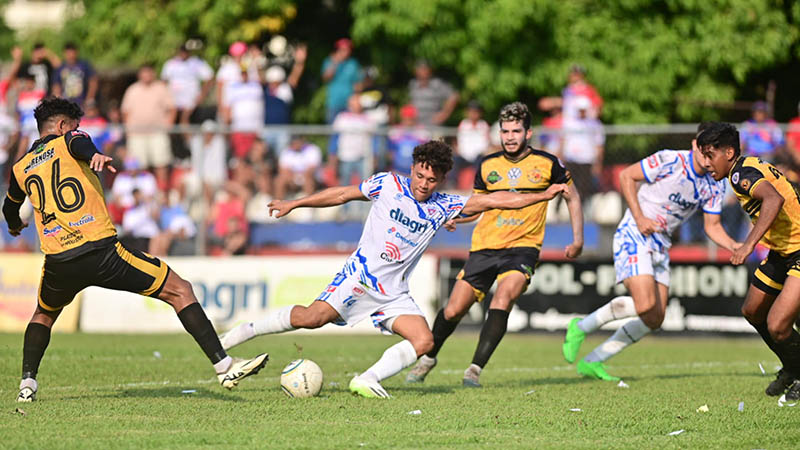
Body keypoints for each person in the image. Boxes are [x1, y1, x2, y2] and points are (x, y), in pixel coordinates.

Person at [218, 140, 570, 398]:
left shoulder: (446, 205)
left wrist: (542, 195)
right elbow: (342, 194)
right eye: (419, 175)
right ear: (412, 168)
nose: (422, 184)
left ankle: (367, 379)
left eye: (431, 180)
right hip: (360, 277)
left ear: (442, 179)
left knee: (424, 340)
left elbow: (495, 199)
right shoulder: (388, 183)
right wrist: (295, 203)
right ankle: (238, 335)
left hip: (394, 293)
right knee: (312, 318)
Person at [2, 98, 267, 402]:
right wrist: (96, 155)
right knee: (180, 290)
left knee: (43, 315)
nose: (78, 130)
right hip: (100, 251)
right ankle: (224, 366)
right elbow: (80, 145)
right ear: (62, 126)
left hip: (59, 260)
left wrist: (14, 226)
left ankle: (27, 385)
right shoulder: (71, 139)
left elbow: (10, 208)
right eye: (74, 125)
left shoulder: (21, 167)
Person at [405, 102, 583, 387]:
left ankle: (474, 370)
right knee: (453, 310)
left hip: (523, 247)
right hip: (485, 245)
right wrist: (456, 219)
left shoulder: (549, 164)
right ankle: (429, 358)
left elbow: (572, 197)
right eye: (505, 131)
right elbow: (477, 207)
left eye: (516, 131)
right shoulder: (488, 166)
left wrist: (577, 239)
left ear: (528, 133)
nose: (510, 136)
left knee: (504, 297)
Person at [561, 122, 738, 381]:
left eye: (712, 152)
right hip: (635, 232)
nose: (706, 158)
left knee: (655, 318)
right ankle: (581, 326)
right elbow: (626, 176)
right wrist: (641, 218)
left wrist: (737, 246)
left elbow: (712, 227)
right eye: (703, 150)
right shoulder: (670, 160)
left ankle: (593, 360)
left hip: (660, 243)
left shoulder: (714, 184)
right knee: (645, 304)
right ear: (693, 145)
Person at [698, 122, 800, 401]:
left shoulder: (740, 174)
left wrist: (748, 245)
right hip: (783, 251)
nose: (706, 163)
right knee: (753, 311)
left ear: (729, 152)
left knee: (778, 325)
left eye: (710, 155)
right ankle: (793, 367)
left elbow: (773, 199)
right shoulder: (743, 168)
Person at [120, 64, 176, 191]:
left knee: (161, 164)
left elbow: (172, 109)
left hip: (157, 132)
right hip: (137, 134)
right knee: (139, 167)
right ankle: (144, 193)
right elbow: (125, 112)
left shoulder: (161, 88)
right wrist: (129, 130)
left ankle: (162, 194)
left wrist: (169, 126)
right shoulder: (132, 90)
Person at [321, 38, 362, 123]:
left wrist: (356, 100)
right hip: (334, 104)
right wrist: (335, 62)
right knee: (333, 132)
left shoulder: (353, 63)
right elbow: (325, 78)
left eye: (348, 49)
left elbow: (357, 84)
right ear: (338, 50)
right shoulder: (329, 61)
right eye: (343, 49)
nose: (346, 52)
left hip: (349, 105)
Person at [408, 59, 459, 126]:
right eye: (420, 69)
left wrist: (444, 114)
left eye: (425, 69)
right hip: (417, 126)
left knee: (438, 136)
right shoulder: (413, 84)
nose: (423, 71)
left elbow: (454, 96)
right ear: (416, 71)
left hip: (434, 126)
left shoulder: (437, 84)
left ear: (430, 70)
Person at [51, 42, 98, 106]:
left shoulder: (84, 65)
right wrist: (58, 102)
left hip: (82, 103)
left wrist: (89, 98)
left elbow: (93, 81)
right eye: (68, 53)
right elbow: (56, 86)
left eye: (72, 52)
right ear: (64, 53)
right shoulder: (60, 68)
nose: (70, 55)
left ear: (76, 52)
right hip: (65, 104)